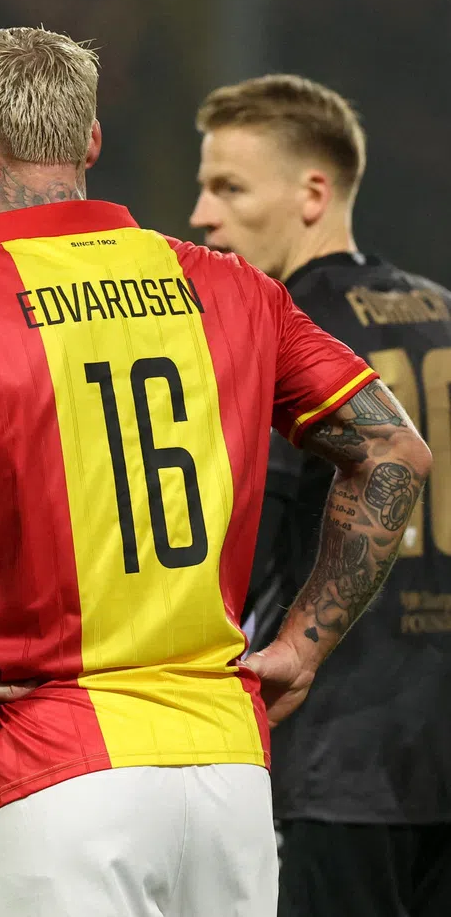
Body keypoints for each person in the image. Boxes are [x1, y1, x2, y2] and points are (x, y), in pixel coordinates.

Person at [0, 27, 432, 917]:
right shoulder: (233, 290)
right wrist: (304, 644)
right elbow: (395, 449)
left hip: (57, 769)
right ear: (92, 141)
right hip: (228, 772)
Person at [190, 74, 451, 917]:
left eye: (228, 186)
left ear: (313, 192)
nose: (202, 214)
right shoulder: (444, 313)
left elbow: (240, 545)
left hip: (338, 760)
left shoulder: (281, 333)